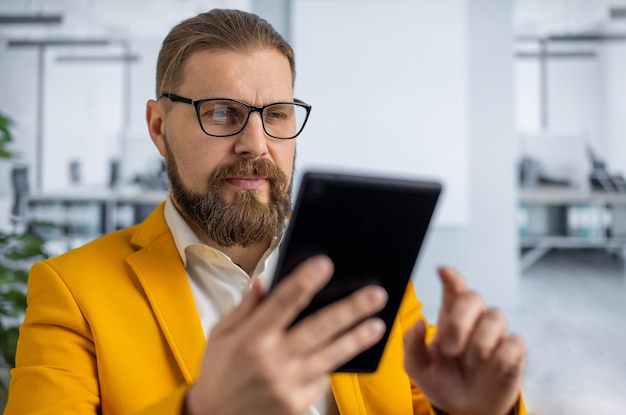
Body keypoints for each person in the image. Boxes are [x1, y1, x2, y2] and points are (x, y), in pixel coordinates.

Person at [5, 9, 527, 415]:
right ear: (159, 127)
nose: (255, 144)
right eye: (221, 113)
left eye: (276, 115)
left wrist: (473, 409)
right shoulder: (73, 291)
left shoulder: (364, 268)